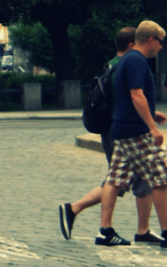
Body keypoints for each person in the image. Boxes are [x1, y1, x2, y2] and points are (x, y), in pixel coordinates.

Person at [97, 20, 167, 248]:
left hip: (122, 128)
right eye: (160, 42)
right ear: (151, 40)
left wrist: (151, 113)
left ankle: (105, 231)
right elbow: (136, 94)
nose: (161, 47)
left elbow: (129, 96)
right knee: (161, 176)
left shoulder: (127, 59)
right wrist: (152, 126)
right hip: (136, 131)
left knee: (115, 178)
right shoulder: (137, 61)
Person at [58, 27, 154, 239]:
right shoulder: (126, 65)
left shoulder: (111, 64)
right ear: (131, 45)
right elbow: (129, 100)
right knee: (122, 180)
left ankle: (140, 230)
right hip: (121, 130)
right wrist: (149, 122)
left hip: (113, 129)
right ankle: (78, 211)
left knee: (124, 179)